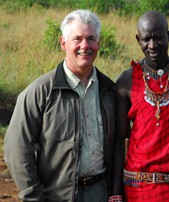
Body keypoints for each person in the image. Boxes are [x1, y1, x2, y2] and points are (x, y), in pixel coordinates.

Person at [4, 9, 116, 202]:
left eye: (91, 39)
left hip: (101, 192)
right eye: (77, 39)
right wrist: (33, 196)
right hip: (56, 196)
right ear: (63, 43)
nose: (85, 46)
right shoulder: (40, 92)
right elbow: (17, 149)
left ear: (98, 44)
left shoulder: (110, 91)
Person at [109, 11, 169, 202]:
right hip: (139, 190)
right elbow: (120, 141)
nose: (152, 45)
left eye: (158, 38)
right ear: (138, 40)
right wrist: (115, 193)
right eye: (146, 39)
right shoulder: (126, 81)